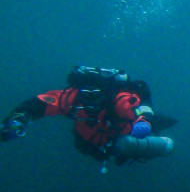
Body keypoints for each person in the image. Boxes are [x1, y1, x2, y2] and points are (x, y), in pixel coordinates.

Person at [1, 66, 175, 172]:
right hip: (89, 142)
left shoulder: (121, 102)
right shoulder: (72, 98)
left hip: (117, 137)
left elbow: (142, 111)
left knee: (140, 136)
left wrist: (144, 123)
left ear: (105, 97)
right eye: (87, 97)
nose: (91, 103)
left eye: (96, 97)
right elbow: (41, 102)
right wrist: (19, 118)